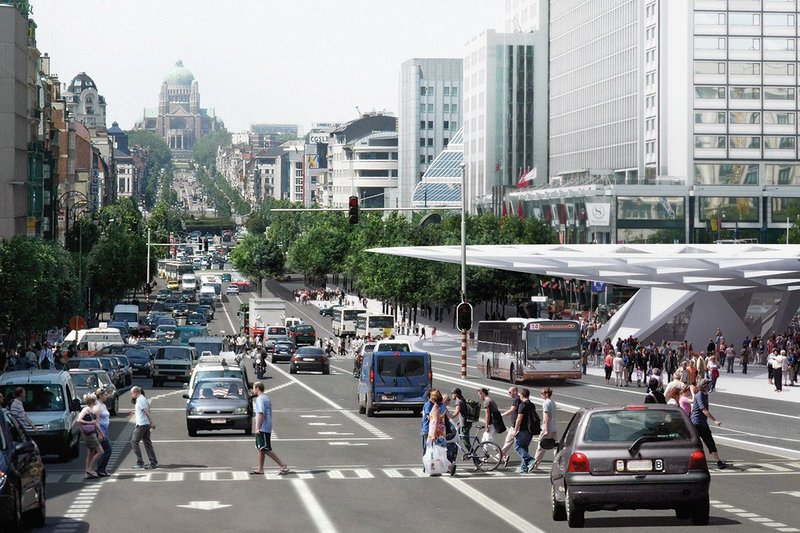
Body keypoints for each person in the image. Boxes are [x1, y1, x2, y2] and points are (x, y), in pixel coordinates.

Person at [250, 381, 289, 475]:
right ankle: (260, 468)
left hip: (263, 426)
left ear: (258, 389)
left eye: (254, 388)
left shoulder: (260, 399)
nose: (252, 390)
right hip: (267, 425)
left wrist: (257, 428)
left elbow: (260, 413)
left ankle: (282, 464)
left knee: (265, 448)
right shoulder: (266, 398)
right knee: (261, 448)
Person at [691, 378, 729, 470]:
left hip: (702, 423)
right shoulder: (700, 395)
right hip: (697, 423)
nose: (710, 386)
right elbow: (703, 410)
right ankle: (716, 462)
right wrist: (715, 420)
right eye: (709, 384)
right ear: (705, 386)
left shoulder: (704, 395)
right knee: (696, 443)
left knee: (709, 442)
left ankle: (718, 462)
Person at [130, 386, 158, 470]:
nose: (131, 395)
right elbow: (144, 411)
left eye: (131, 393)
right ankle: (153, 462)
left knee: (134, 442)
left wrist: (151, 422)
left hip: (142, 425)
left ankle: (140, 462)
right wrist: (135, 412)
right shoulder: (142, 399)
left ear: (136, 392)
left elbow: (147, 412)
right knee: (147, 443)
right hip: (145, 424)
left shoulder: (140, 400)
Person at [76, 393, 104, 479]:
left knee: (91, 453)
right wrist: (100, 433)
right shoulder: (87, 410)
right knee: (100, 452)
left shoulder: (89, 409)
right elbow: (79, 420)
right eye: (95, 399)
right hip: (89, 433)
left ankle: (87, 472)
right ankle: (90, 469)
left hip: (89, 433)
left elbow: (95, 422)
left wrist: (99, 432)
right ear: (93, 401)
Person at [530, 387, 556, 472]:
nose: (541, 395)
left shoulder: (546, 403)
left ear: (546, 394)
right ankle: (560, 464)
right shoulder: (552, 402)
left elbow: (547, 417)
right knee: (554, 447)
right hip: (553, 428)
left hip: (547, 428)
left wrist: (546, 430)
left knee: (540, 447)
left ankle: (534, 465)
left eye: (542, 393)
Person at [512, 387, 538, 473]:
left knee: (517, 446)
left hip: (523, 429)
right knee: (524, 448)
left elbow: (519, 418)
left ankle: (530, 459)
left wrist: (515, 430)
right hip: (531, 430)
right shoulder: (532, 404)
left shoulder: (522, 405)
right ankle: (523, 468)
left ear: (522, 395)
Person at [498, 386, 521, 468]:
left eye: (510, 392)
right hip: (515, 425)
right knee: (509, 442)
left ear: (515, 391)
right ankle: (503, 456)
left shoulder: (516, 400)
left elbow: (512, 410)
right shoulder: (519, 399)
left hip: (516, 425)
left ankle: (500, 455)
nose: (509, 394)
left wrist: (501, 415)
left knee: (510, 442)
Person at [93, 388, 112, 477]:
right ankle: (100, 469)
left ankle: (100, 470)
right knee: (108, 450)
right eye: (105, 394)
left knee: (102, 451)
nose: (106, 396)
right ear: (100, 396)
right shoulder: (97, 406)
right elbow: (96, 421)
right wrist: (100, 433)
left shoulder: (103, 405)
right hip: (100, 431)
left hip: (105, 430)